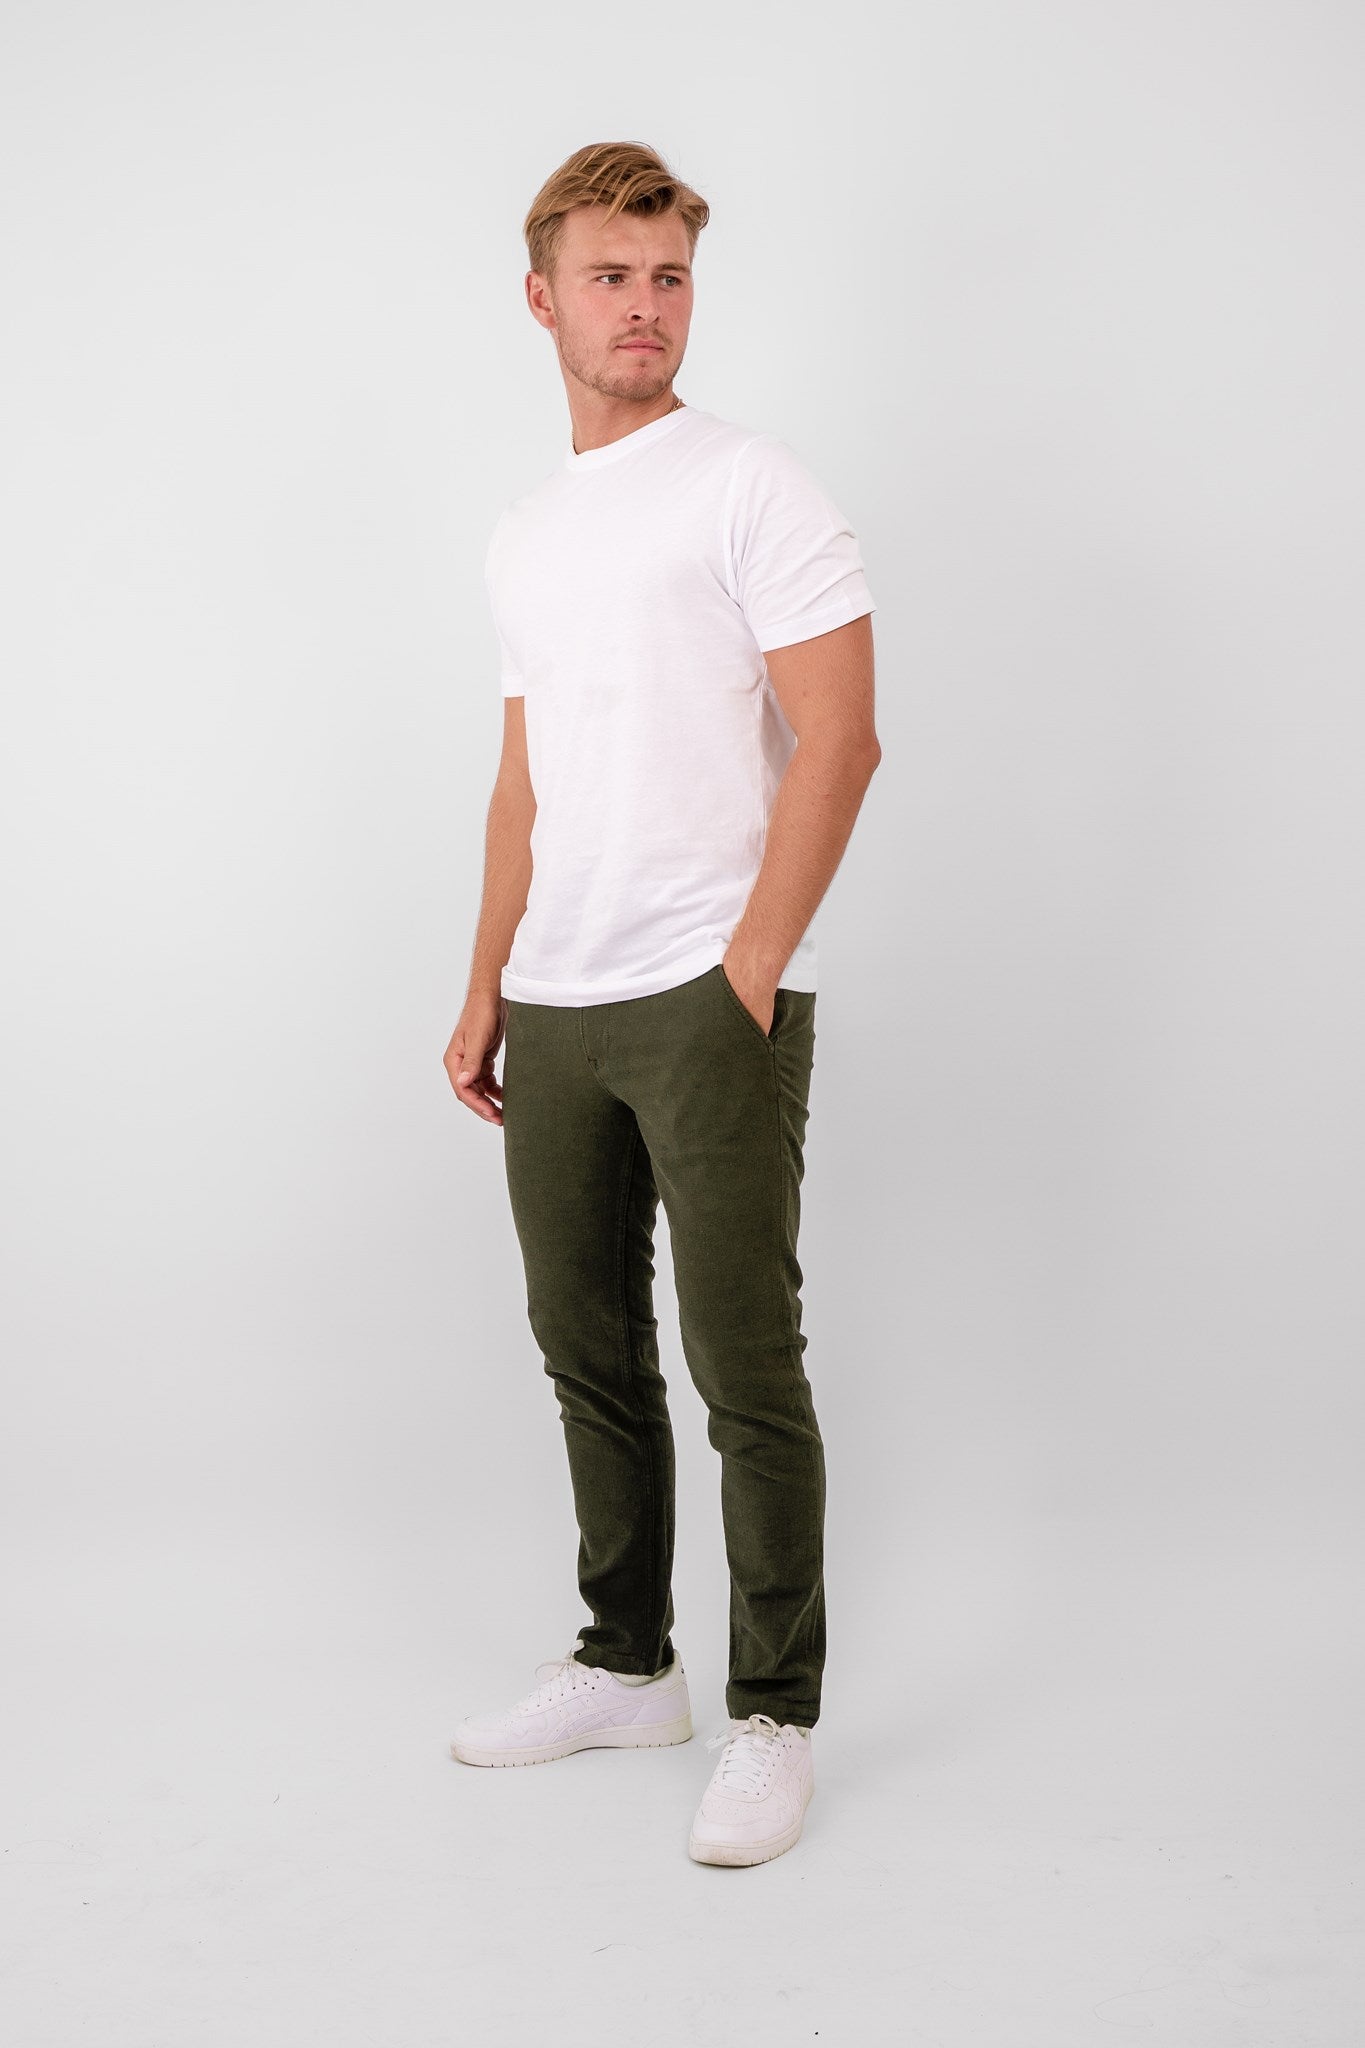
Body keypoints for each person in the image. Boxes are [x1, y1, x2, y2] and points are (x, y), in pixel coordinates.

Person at [442, 140, 881, 1868]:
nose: (644, 307)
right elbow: (522, 782)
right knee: (586, 1353)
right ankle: (627, 1664)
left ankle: (775, 1714)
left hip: (705, 989)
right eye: (611, 277)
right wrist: (484, 980)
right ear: (541, 297)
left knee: (741, 1363)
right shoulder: (527, 532)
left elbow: (840, 738)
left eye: (669, 277)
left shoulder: (749, 484)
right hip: (554, 994)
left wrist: (749, 966)